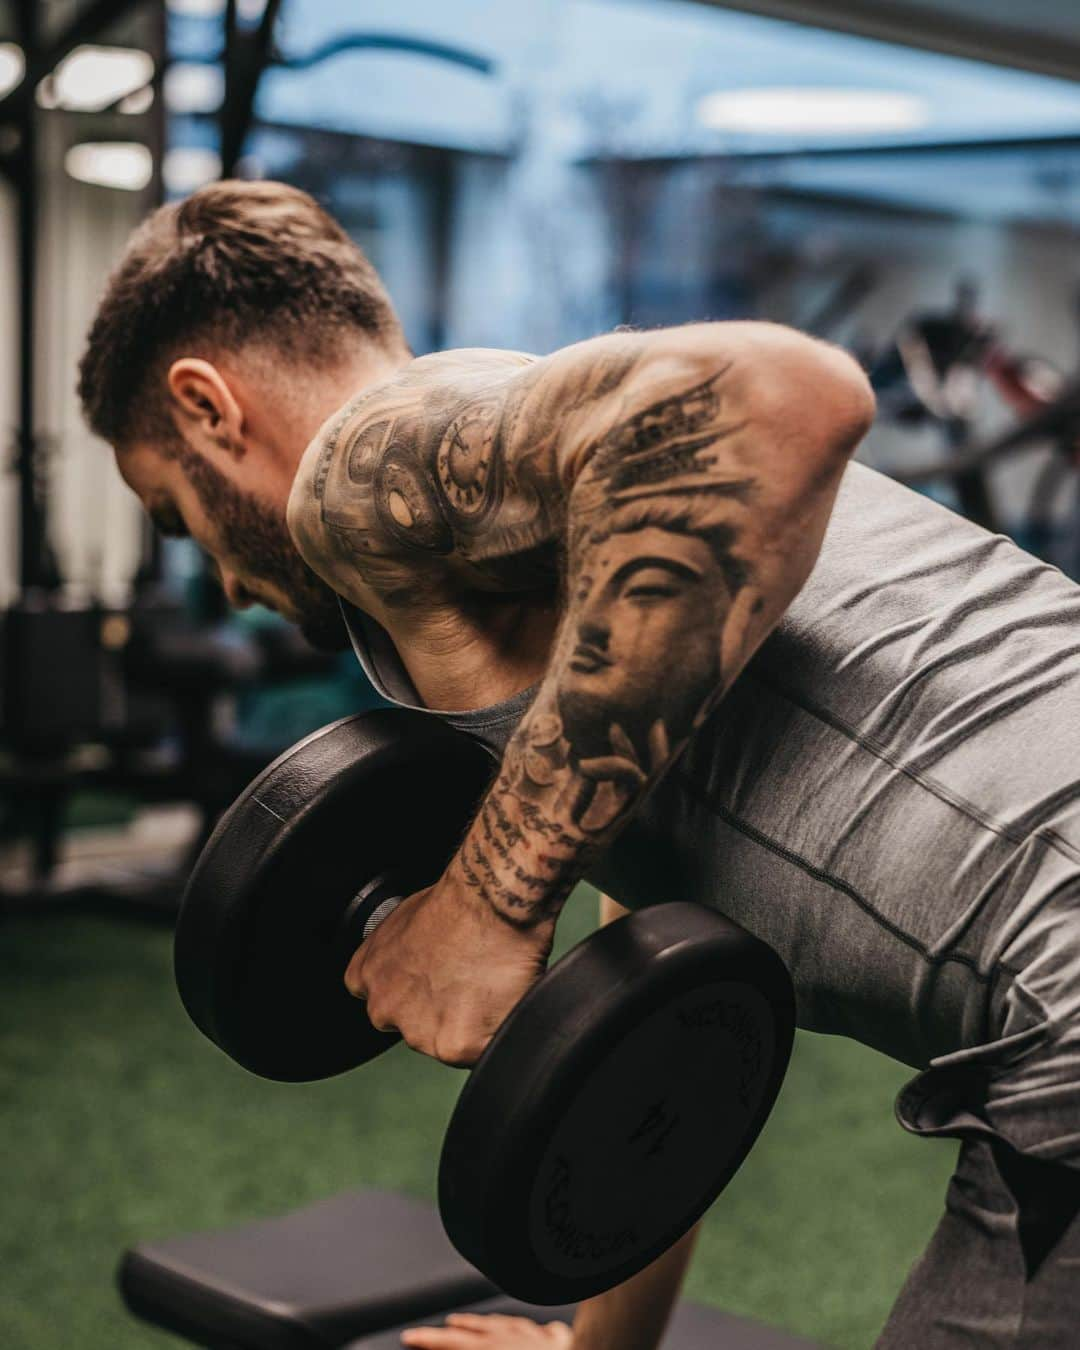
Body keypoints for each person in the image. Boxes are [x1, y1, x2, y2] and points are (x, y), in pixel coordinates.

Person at [78, 180, 1080, 1348]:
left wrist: (484, 905)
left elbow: (785, 396)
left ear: (208, 410)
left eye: (176, 514)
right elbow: (646, 1010)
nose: (230, 585)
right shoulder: (565, 580)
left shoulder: (364, 469)